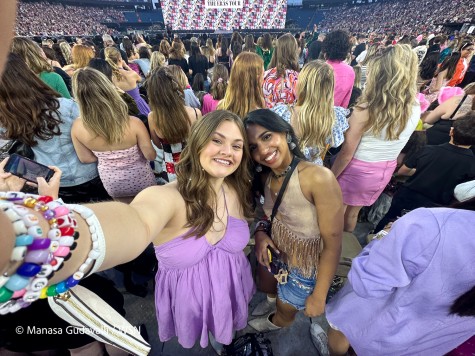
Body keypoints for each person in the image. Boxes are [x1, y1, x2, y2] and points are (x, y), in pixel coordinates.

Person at [323, 204, 475, 355]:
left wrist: (383, 235)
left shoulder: (434, 224)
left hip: (367, 323)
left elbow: (365, 283)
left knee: (341, 332)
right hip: (421, 347)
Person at [244, 109, 343, 333]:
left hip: (304, 269)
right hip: (278, 256)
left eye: (267, 136)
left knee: (285, 309)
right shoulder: (265, 176)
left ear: (285, 132)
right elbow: (265, 215)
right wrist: (260, 233)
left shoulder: (318, 178)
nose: (263, 150)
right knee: (274, 294)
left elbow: (333, 244)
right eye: (253, 147)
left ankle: (277, 322)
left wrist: (319, 295)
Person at [331, 45, 421, 233]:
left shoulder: (365, 110)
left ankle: (330, 249)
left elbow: (346, 154)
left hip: (357, 169)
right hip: (384, 169)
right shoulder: (414, 106)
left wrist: (330, 177)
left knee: (334, 214)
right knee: (353, 214)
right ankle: (344, 246)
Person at [0, 53, 109, 204]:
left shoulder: (6, 118)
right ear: (26, 75)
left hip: (51, 181)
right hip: (88, 175)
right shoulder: (65, 106)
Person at [375, 112, 475, 231]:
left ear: (451, 131)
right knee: (418, 231)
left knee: (390, 220)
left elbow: (403, 171)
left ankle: (375, 240)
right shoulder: (471, 163)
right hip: (437, 205)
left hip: (408, 195)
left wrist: (424, 170)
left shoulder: (428, 150)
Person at [71, 68, 156, 202]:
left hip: (112, 181)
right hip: (140, 178)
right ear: (109, 90)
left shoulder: (77, 127)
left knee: (124, 212)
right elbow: (150, 155)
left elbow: (85, 158)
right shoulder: (133, 123)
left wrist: (109, 157)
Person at [272, 60, 349, 166]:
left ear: (301, 83)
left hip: (287, 171)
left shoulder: (282, 113)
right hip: (316, 172)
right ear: (329, 88)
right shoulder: (334, 116)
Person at [147, 66, 201, 183]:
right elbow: (199, 141)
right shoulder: (195, 113)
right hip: (192, 167)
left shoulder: (152, 117)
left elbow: (158, 144)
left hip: (169, 169)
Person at [217, 52, 266, 118]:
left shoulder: (221, 107)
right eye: (263, 74)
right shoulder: (259, 111)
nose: (264, 78)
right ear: (255, 79)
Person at [105, 46, 150, 117]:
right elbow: (141, 80)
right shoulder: (131, 74)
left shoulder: (109, 78)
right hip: (139, 106)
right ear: (120, 59)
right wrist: (127, 67)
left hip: (123, 110)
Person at [263, 33, 299, 109]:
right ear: (294, 51)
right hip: (290, 119)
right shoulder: (298, 78)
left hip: (267, 119)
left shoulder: (265, 75)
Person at [321, 30, 355, 108]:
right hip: (335, 115)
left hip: (314, 114)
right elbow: (345, 101)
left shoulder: (318, 68)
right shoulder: (350, 71)